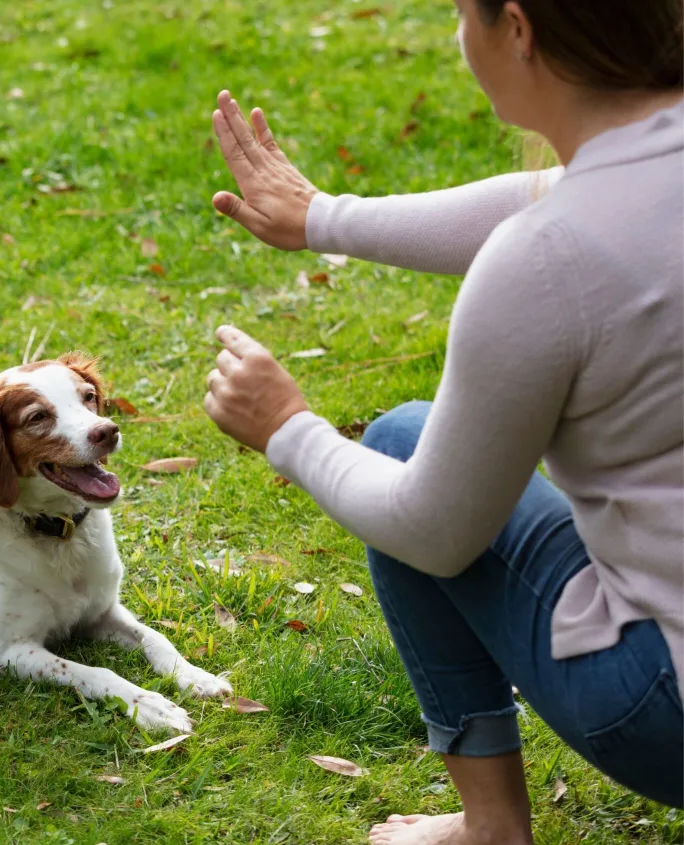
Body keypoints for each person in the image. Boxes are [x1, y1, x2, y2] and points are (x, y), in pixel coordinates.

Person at [203, 0, 683, 843]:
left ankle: (489, 826)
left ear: (521, 28)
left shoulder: (544, 257)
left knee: (398, 441)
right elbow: (553, 198)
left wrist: (288, 428)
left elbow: (435, 532)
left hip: (664, 708)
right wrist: (324, 218)